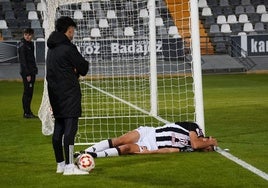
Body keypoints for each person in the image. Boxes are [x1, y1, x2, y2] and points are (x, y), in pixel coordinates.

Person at [46, 16, 89, 175]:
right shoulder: (68, 48)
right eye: (73, 30)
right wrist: (76, 71)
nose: (74, 33)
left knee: (59, 129)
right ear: (69, 29)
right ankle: (70, 167)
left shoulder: (51, 49)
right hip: (69, 94)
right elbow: (83, 67)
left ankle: (61, 164)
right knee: (70, 131)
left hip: (55, 94)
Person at [76, 122, 218, 158]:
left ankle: (93, 155)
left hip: (149, 145)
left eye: (207, 150)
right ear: (207, 138)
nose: (206, 149)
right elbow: (196, 142)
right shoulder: (195, 127)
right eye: (207, 146)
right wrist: (212, 142)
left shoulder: (188, 149)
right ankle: (85, 151)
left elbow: (168, 150)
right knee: (121, 140)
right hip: (149, 132)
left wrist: (149, 153)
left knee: (127, 148)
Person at [18, 28, 38, 118]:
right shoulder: (23, 45)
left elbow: (31, 59)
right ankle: (26, 113)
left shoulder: (30, 44)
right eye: (26, 34)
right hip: (27, 73)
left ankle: (28, 111)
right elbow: (23, 61)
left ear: (32, 35)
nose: (27, 36)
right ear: (24, 35)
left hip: (31, 71)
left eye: (29, 35)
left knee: (29, 93)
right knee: (27, 93)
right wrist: (27, 74)